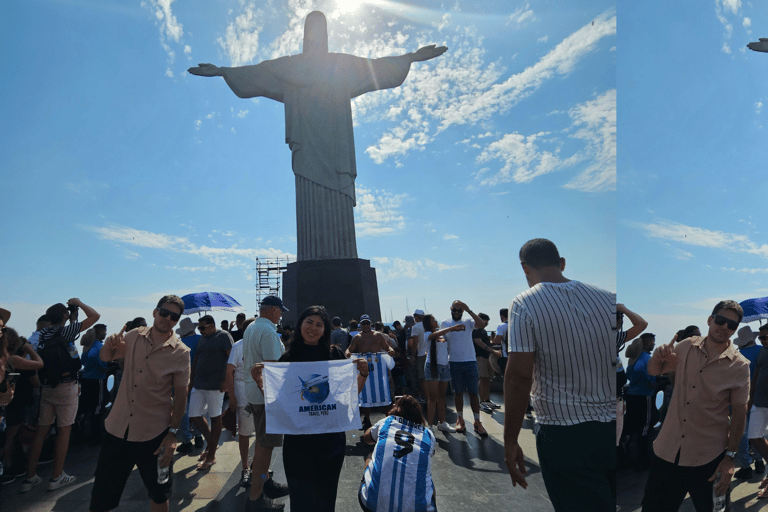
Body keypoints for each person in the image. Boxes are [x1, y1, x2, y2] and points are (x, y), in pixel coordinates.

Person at [188, 11, 446, 261]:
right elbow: (257, 73)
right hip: (308, 143)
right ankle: (312, 254)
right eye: (311, 29)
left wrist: (410, 57)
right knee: (309, 193)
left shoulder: (342, 65)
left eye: (320, 28)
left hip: (337, 144)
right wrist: (222, 71)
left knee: (338, 194)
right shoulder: (289, 66)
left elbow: (376, 68)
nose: (315, 35)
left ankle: (343, 254)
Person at [503, 238, 615, 512]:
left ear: (524, 268)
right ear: (562, 263)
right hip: (612, 427)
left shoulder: (524, 304)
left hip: (563, 433)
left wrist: (510, 440)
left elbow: (519, 377)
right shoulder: (608, 298)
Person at [252, 305, 369, 512]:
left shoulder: (335, 355)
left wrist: (363, 375)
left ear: (325, 330)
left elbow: (349, 395)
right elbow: (279, 403)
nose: (313, 328)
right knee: (301, 500)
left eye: (319, 324)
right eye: (309, 322)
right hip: (298, 442)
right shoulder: (288, 358)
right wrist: (261, 382)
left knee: (326, 498)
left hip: (331, 440)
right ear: (300, 325)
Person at [642, 300, 749, 512]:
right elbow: (655, 371)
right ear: (710, 320)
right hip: (667, 452)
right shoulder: (686, 347)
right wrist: (658, 354)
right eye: (720, 320)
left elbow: (739, 413)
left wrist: (730, 458)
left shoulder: (739, 366)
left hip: (709, 458)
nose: (725, 327)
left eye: (732, 325)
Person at [89, 295, 189, 512]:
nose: (167, 319)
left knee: (159, 493)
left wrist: (173, 433)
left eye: (174, 316)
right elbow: (106, 357)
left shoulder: (181, 353)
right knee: (102, 496)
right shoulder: (134, 336)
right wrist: (110, 343)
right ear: (155, 312)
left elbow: (181, 394)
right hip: (117, 428)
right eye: (164, 313)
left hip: (155, 434)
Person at [21, 298, 100, 493]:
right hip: (67, 386)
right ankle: (56, 477)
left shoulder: (42, 334)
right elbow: (95, 316)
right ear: (64, 316)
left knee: (42, 431)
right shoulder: (66, 331)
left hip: (47, 386)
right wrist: (79, 303)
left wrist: (71, 319)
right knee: (64, 431)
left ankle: (29, 478)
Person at [242, 296, 291, 511]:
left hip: (254, 393)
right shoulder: (269, 331)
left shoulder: (251, 327)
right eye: (280, 311)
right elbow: (272, 368)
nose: (281, 315)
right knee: (265, 445)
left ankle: (265, 481)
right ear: (272, 309)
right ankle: (256, 497)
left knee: (263, 442)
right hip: (266, 395)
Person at [359, 395, 437, 512]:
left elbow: (366, 438)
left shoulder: (388, 421)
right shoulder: (428, 434)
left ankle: (373, 492)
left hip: (374, 505)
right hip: (418, 508)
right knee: (426, 476)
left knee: (370, 456)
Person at [188, 315, 234, 470]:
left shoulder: (223, 336)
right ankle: (211, 444)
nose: (200, 331)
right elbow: (197, 359)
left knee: (215, 417)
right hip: (199, 384)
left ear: (211, 325)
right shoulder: (202, 339)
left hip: (216, 385)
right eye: (198, 328)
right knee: (194, 415)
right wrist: (191, 379)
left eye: (202, 327)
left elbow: (231, 358)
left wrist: (226, 381)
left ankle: (211, 455)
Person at [0, 328, 44, 483]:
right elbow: (39, 365)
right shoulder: (13, 360)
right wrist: (30, 350)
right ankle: (7, 469)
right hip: (17, 404)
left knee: (7, 438)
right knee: (10, 439)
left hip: (8, 404)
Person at [440, 300, 488, 436]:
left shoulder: (468, 321)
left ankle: (477, 421)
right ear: (450, 309)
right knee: (458, 392)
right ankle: (460, 419)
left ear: (462, 311)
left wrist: (469, 310)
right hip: (454, 362)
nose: (455, 312)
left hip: (470, 361)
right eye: (453, 310)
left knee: (473, 392)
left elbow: (481, 325)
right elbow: (440, 337)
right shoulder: (445, 323)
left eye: (459, 310)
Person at [347, 314, 395, 431]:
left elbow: (386, 347)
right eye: (363, 323)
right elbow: (350, 349)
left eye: (367, 323)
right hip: (365, 368)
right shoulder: (357, 337)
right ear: (360, 325)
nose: (366, 325)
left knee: (383, 392)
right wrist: (348, 353)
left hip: (379, 368)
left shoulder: (378, 335)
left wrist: (391, 350)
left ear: (370, 324)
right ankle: (367, 419)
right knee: (364, 394)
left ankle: (388, 419)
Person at [225, 319, 258, 487]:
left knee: (262, 434)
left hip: (261, 396)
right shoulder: (238, 346)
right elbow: (229, 371)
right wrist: (232, 396)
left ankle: (257, 465)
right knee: (244, 433)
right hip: (244, 396)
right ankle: (245, 467)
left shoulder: (263, 344)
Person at [733, 325, 765, 479]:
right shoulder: (762, 351)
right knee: (757, 432)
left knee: (742, 432)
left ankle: (745, 465)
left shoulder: (737, 355)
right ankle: (759, 461)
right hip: (759, 398)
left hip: (740, 397)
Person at [422, 314, 463, 432]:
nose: (436, 321)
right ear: (428, 323)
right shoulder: (427, 334)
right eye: (433, 320)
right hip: (432, 366)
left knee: (441, 397)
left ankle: (442, 423)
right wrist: (452, 328)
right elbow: (433, 335)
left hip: (445, 366)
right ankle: (429, 426)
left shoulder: (442, 334)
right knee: (432, 397)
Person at [624, 332, 657, 469]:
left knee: (630, 426)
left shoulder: (634, 358)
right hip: (644, 396)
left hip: (631, 395)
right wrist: (650, 380)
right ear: (647, 343)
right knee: (644, 428)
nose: (654, 344)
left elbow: (628, 375)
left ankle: (625, 457)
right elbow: (640, 370)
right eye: (652, 342)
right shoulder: (646, 357)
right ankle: (642, 460)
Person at [746, 323, 768, 496]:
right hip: (759, 402)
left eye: (765, 337)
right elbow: (757, 373)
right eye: (761, 337)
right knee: (753, 436)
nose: (762, 340)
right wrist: (750, 397)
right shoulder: (762, 350)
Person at [473, 313, 501, 412]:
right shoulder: (475, 330)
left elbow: (486, 343)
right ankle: (482, 402)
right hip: (480, 357)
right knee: (482, 378)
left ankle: (487, 400)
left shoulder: (483, 331)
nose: (486, 324)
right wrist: (494, 351)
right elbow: (479, 343)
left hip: (487, 357)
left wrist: (492, 342)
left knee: (487, 379)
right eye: (485, 321)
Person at [408, 309, 427, 404]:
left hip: (421, 354)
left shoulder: (415, 327)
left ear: (416, 316)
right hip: (430, 354)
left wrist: (413, 355)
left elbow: (415, 342)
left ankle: (424, 397)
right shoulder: (428, 325)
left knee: (422, 377)